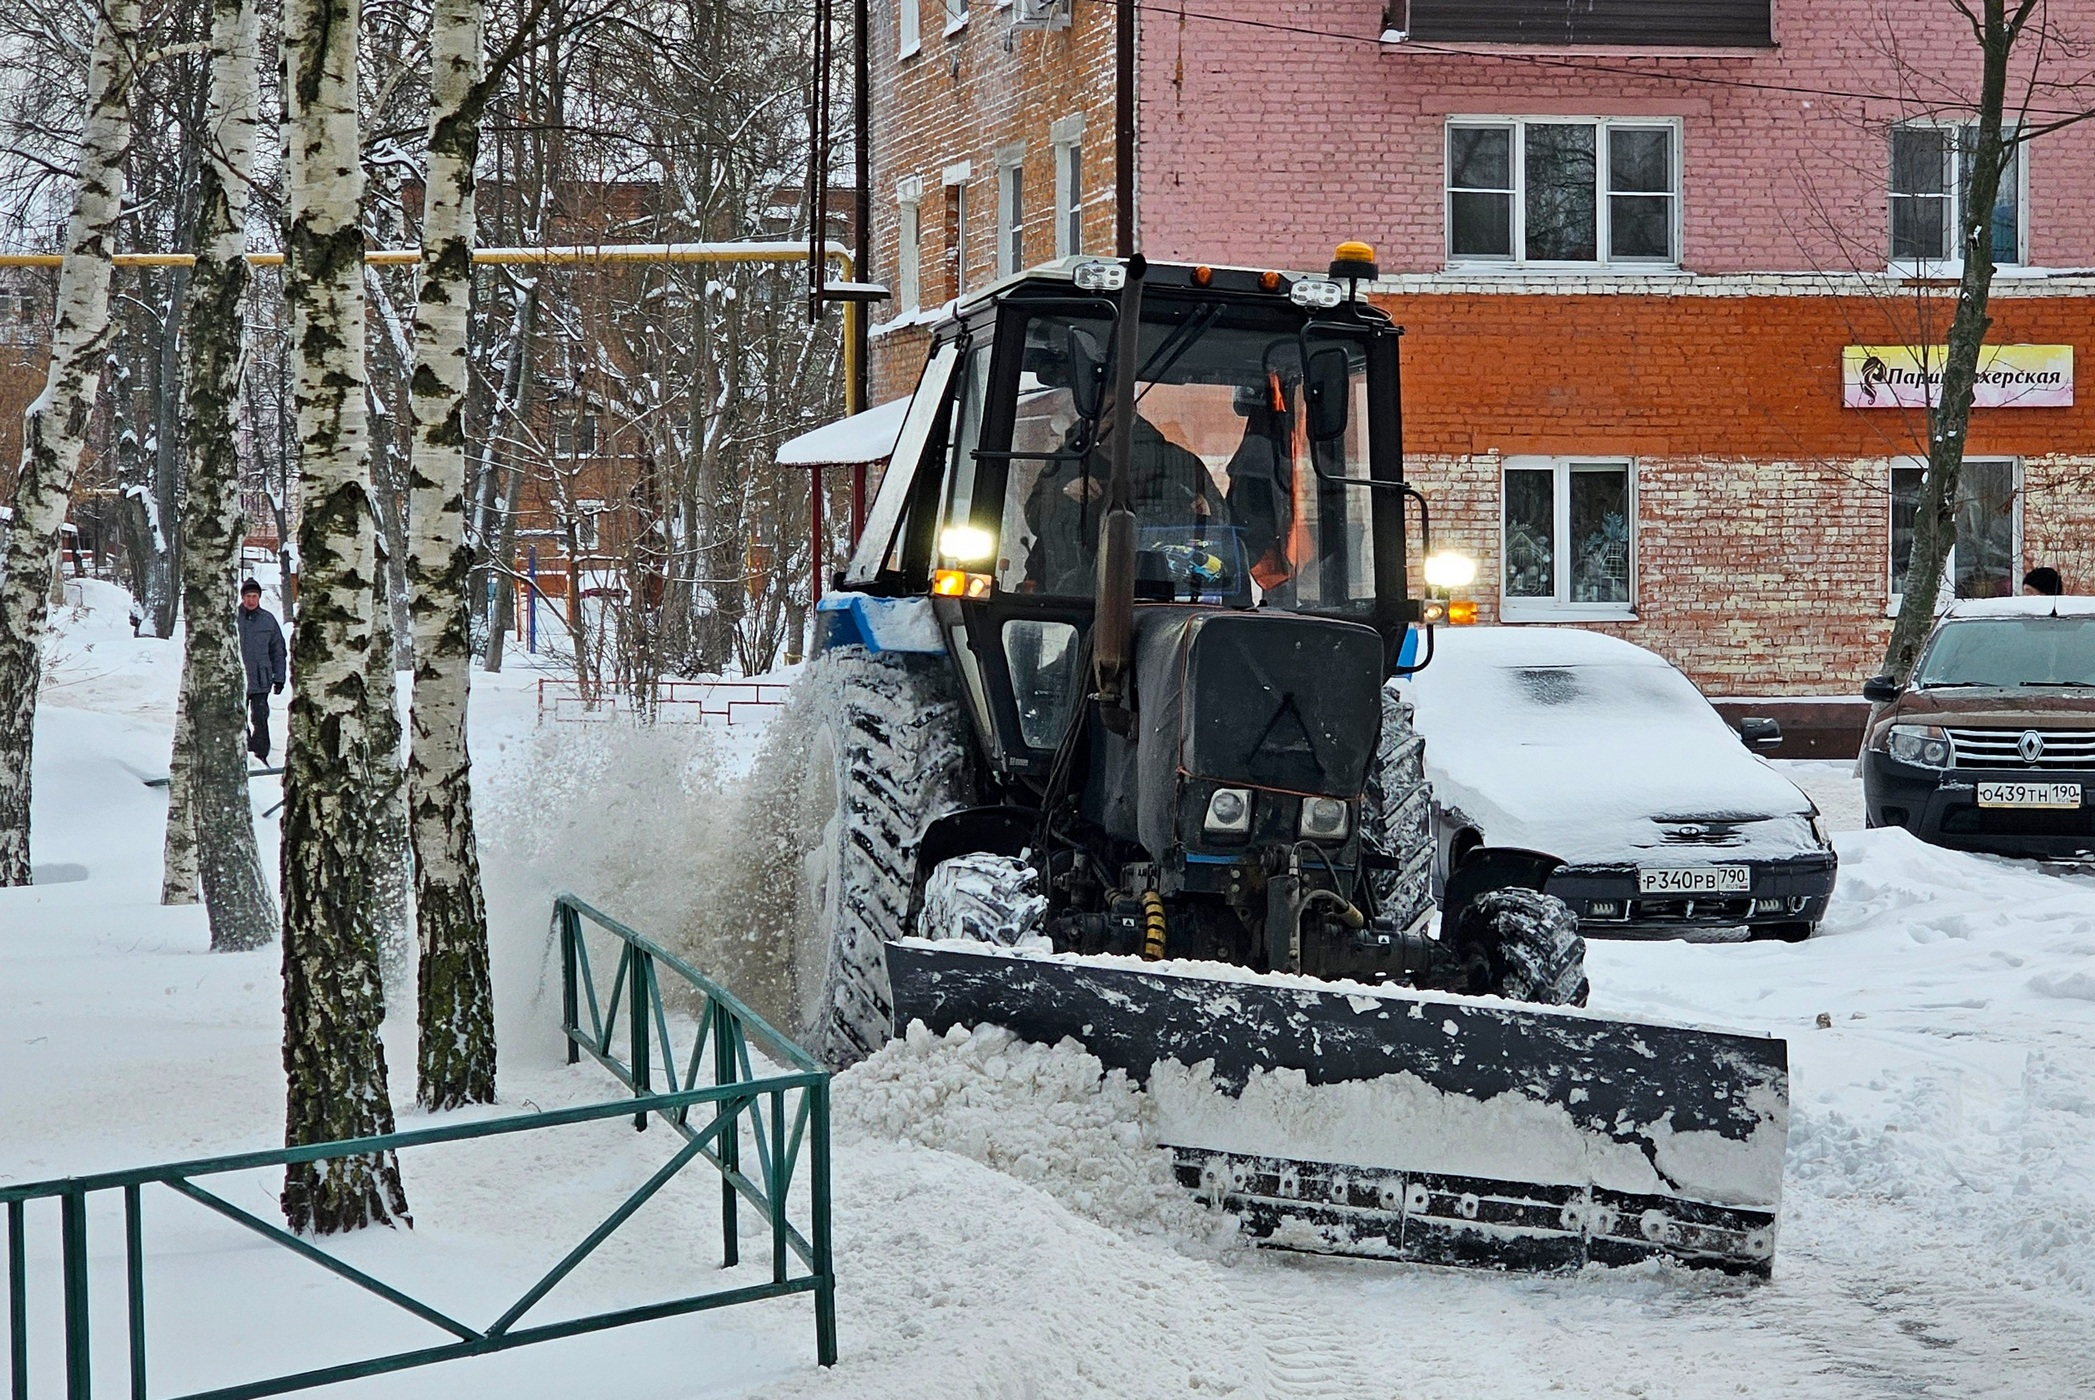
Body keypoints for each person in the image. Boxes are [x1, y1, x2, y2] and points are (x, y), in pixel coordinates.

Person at [238, 579, 287, 762]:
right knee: (238, 717)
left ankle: (260, 754)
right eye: (248, 596)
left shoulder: (268, 620)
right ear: (243, 597)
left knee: (260, 718)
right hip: (239, 677)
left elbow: (278, 650)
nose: (251, 600)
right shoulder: (232, 618)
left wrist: (279, 677)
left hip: (261, 678)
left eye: (255, 596)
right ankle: (243, 750)